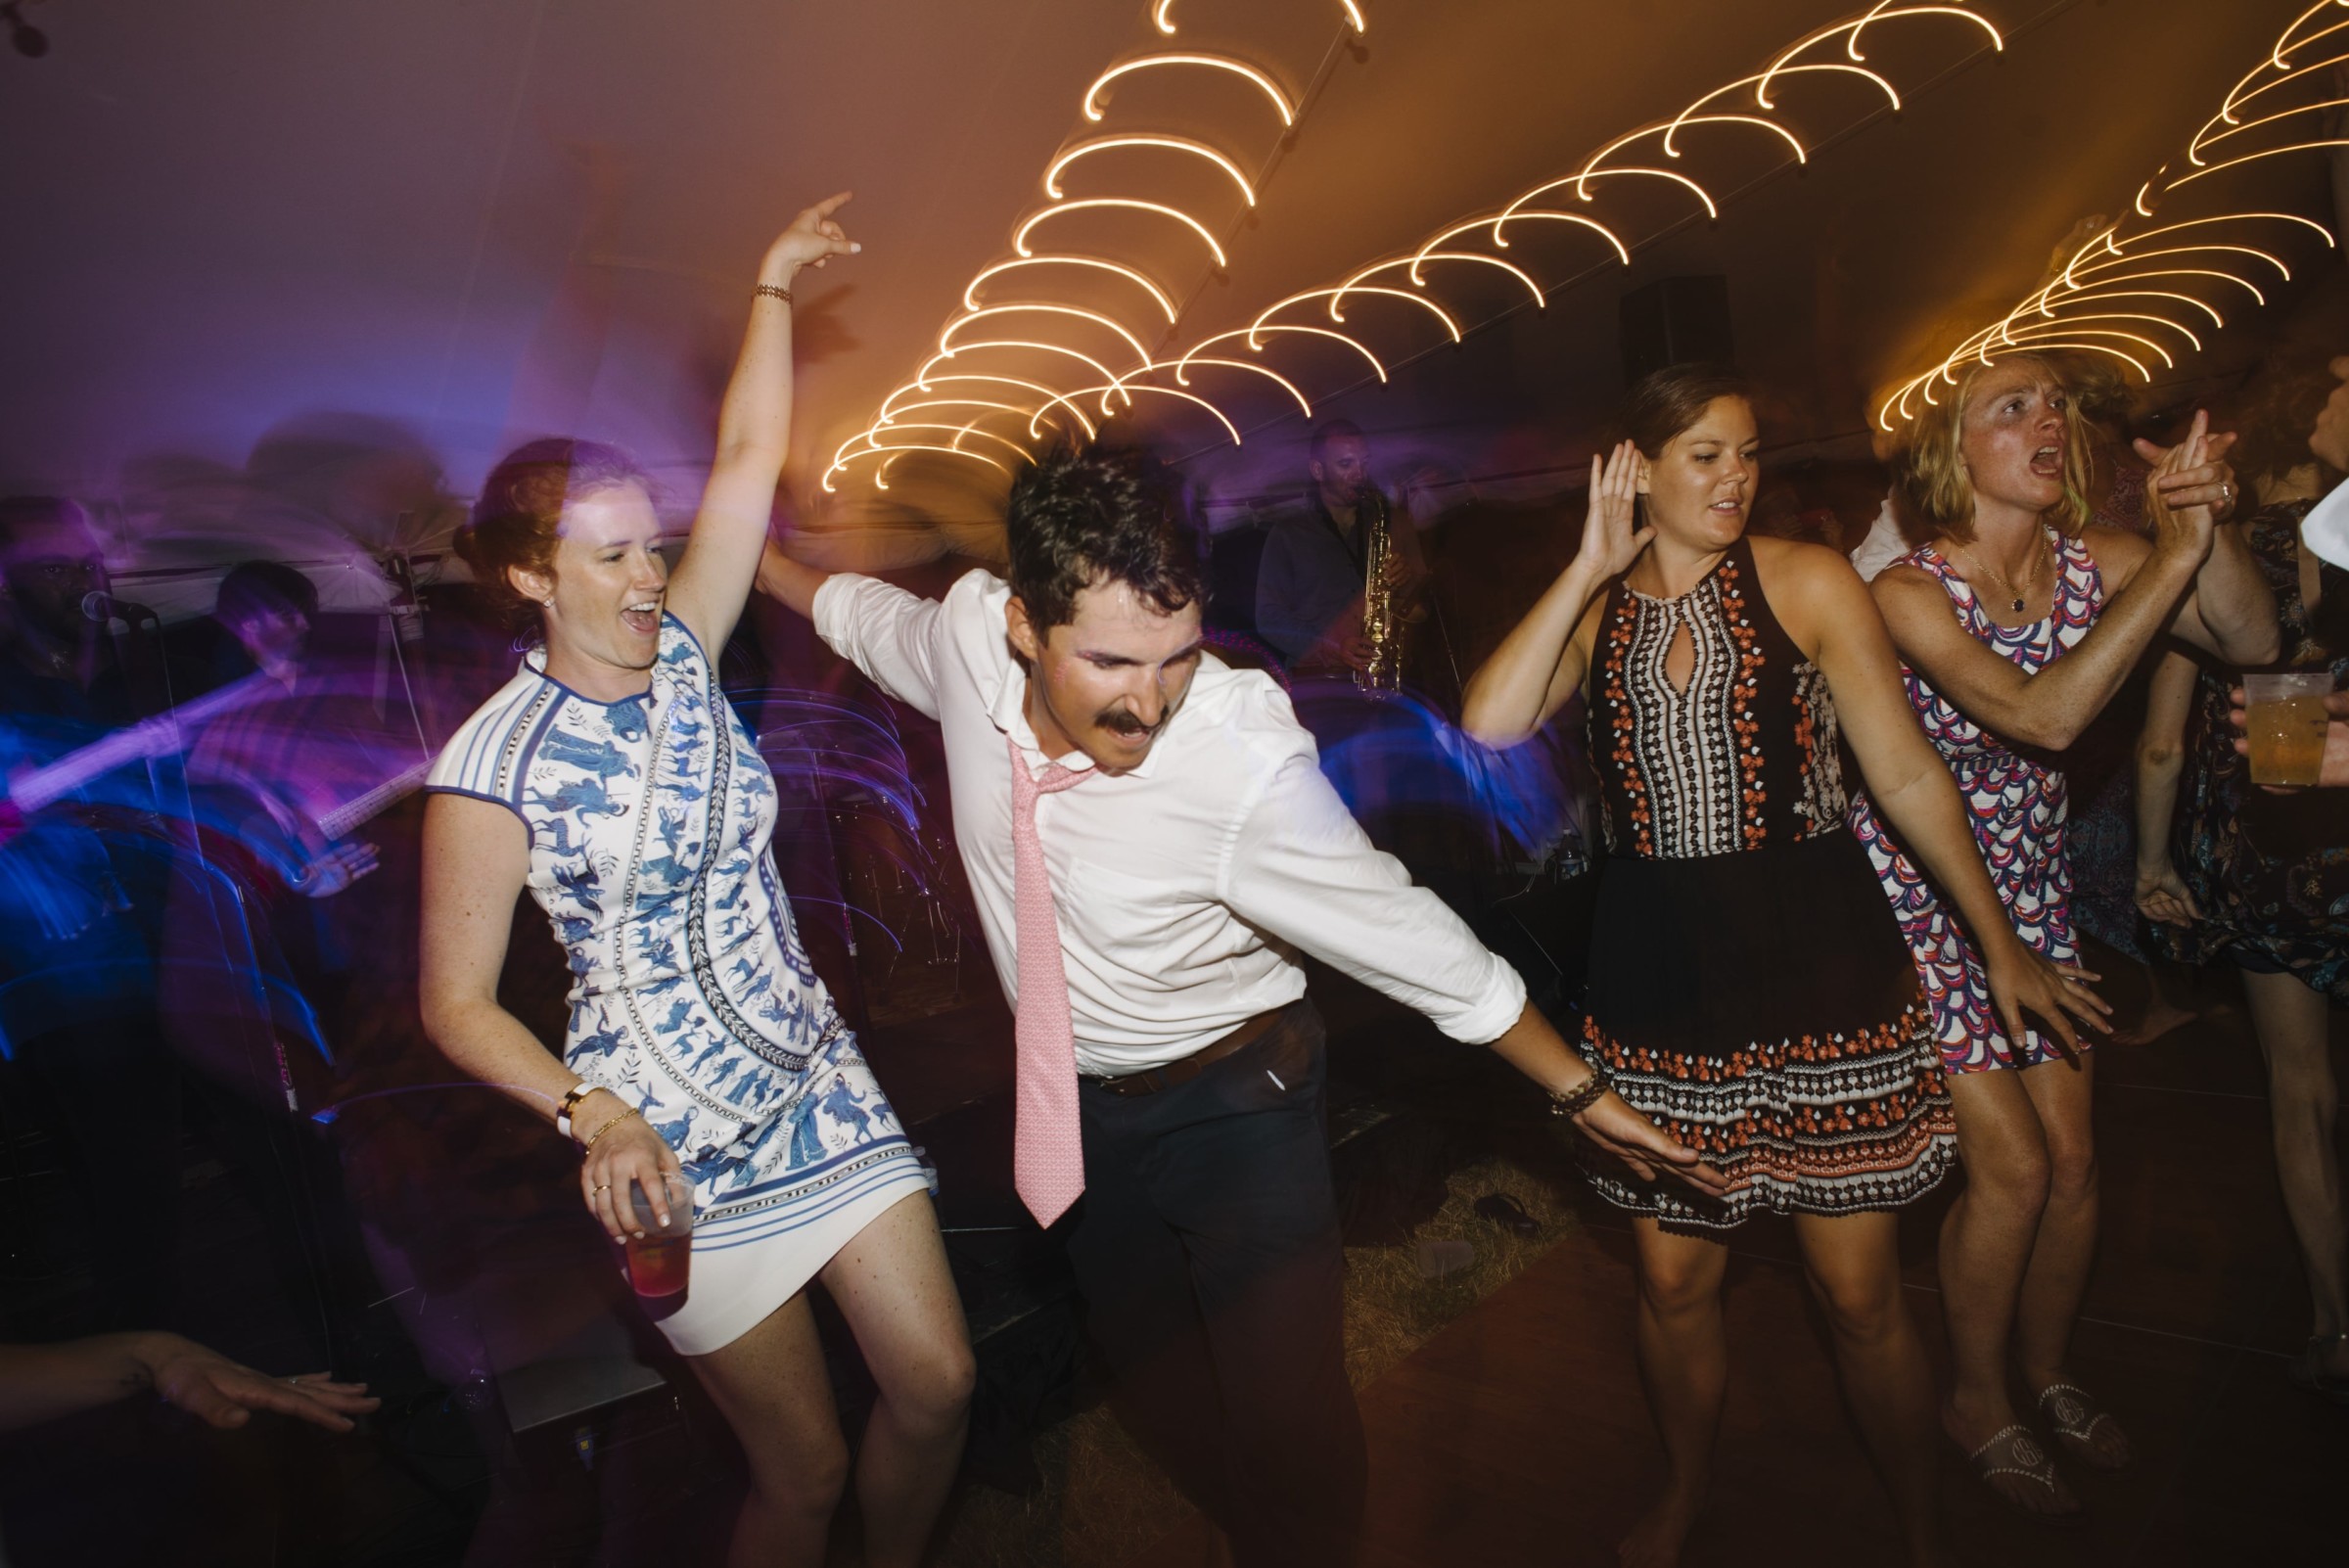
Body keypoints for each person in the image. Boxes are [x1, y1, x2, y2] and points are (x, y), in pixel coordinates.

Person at [758, 441, 1724, 1568]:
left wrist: (1581, 1091)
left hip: (1241, 1104)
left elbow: (1414, 938)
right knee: (1153, 1379)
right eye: (1115, 662)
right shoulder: (970, 636)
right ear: (1025, 626)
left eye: (1175, 658)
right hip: (1080, 1118)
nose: (1149, 700)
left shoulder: (1238, 759)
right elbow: (860, 614)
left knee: (1290, 1415)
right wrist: (752, 559)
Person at [1460, 364, 2099, 1568]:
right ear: (1635, 469)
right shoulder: (1596, 616)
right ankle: (1687, 1491)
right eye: (1705, 455)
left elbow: (1905, 773)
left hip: (1817, 959)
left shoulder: (1807, 582)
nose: (1737, 478)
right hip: (1661, 975)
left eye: (1748, 453)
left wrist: (1996, 939)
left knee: (1858, 1297)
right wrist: (1587, 564)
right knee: (1673, 1287)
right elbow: (1488, 726)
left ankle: (1919, 1527)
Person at [418, 194, 974, 1568]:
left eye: (653, 542)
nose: (651, 572)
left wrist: (773, 288)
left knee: (942, 1384)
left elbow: (743, 453)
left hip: (814, 1076)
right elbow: (454, 1002)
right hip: (665, 1149)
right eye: (611, 554)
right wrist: (591, 1113)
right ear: (528, 573)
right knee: (803, 1468)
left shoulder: (683, 646)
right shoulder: (489, 766)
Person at [1852, 352, 2277, 1521]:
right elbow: (2046, 714)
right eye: (2013, 406)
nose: (2051, 419)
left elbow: (2245, 641)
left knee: (2079, 1165)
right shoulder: (1908, 594)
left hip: (2033, 888)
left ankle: (2046, 1372)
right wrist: (2175, 563)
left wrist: (2200, 528)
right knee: (2018, 1168)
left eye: (2058, 405)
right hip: (1923, 895)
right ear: (1956, 453)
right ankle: (1976, 1398)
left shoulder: (2110, 563)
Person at [2136, 351, 2349, 1404]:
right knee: (2305, 1091)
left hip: (2274, 855)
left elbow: (2166, 745)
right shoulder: (2285, 543)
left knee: (2301, 1097)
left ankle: (2332, 1317)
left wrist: (2155, 860)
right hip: (2299, 842)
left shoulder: (2255, 549)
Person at [1253, 419, 1430, 676]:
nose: (1360, 474)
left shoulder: (1396, 523)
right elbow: (1269, 619)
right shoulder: (1288, 534)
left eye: (1365, 462)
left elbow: (1423, 610)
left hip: (1388, 676)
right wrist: (1332, 646)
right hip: (1318, 681)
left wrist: (1403, 585)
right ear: (1317, 470)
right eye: (1346, 464)